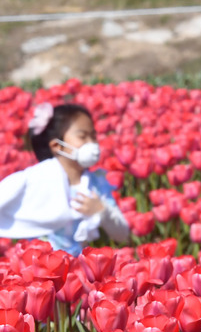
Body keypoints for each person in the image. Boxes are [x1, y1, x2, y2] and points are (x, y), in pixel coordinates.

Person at [0, 101, 129, 255]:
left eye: (93, 137)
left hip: (76, 270)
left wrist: (101, 210)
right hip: (37, 270)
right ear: (57, 146)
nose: (92, 143)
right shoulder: (35, 180)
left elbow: (122, 235)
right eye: (83, 136)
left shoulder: (95, 185)